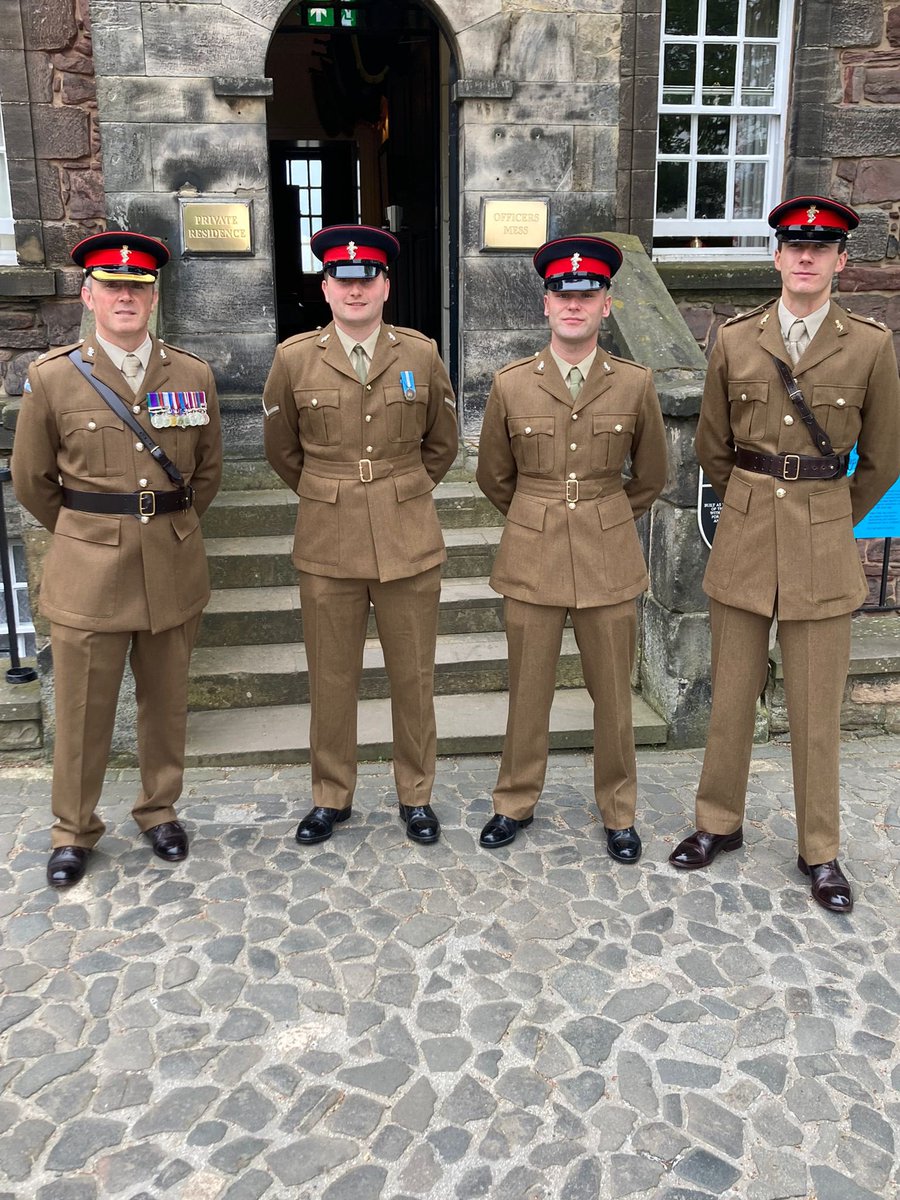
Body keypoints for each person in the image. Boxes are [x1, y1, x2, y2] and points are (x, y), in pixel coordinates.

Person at [669, 196, 900, 913]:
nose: (805, 256)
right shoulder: (737, 338)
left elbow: (883, 457)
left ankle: (819, 849)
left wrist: (830, 517)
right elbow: (713, 446)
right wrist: (748, 505)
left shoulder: (870, 346)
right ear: (775, 257)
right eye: (794, 245)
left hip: (822, 543)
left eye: (820, 247)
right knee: (730, 696)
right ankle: (718, 822)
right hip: (745, 540)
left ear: (840, 261)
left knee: (816, 707)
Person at [12, 231, 223, 888]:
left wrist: (165, 526)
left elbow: (207, 471)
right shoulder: (53, 377)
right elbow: (32, 480)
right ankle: (73, 829)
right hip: (88, 573)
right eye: (112, 287)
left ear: (153, 297)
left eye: (137, 288)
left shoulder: (191, 374)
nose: (125, 298)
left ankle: (159, 810)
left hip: (171, 564)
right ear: (89, 296)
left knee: (166, 703)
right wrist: (87, 533)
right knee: (82, 709)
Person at [262, 224, 458, 846]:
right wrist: (331, 489)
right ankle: (330, 795)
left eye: (366, 279)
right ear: (325, 287)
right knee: (331, 677)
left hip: (407, 536)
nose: (355, 290)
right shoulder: (295, 358)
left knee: (413, 677)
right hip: (328, 538)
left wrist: (400, 488)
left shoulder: (420, 354)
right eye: (342, 279)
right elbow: (283, 450)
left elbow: (443, 443)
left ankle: (416, 794)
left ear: (385, 287)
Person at [475, 236, 667, 859]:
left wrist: (607, 516)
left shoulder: (634, 384)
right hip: (531, 556)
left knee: (612, 696)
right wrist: (537, 515)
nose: (574, 304)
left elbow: (652, 476)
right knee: (527, 690)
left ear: (606, 303)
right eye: (563, 293)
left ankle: (619, 810)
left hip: (608, 558)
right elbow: (494, 477)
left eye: (587, 293)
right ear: (546, 304)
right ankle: (514, 800)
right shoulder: (512, 384)